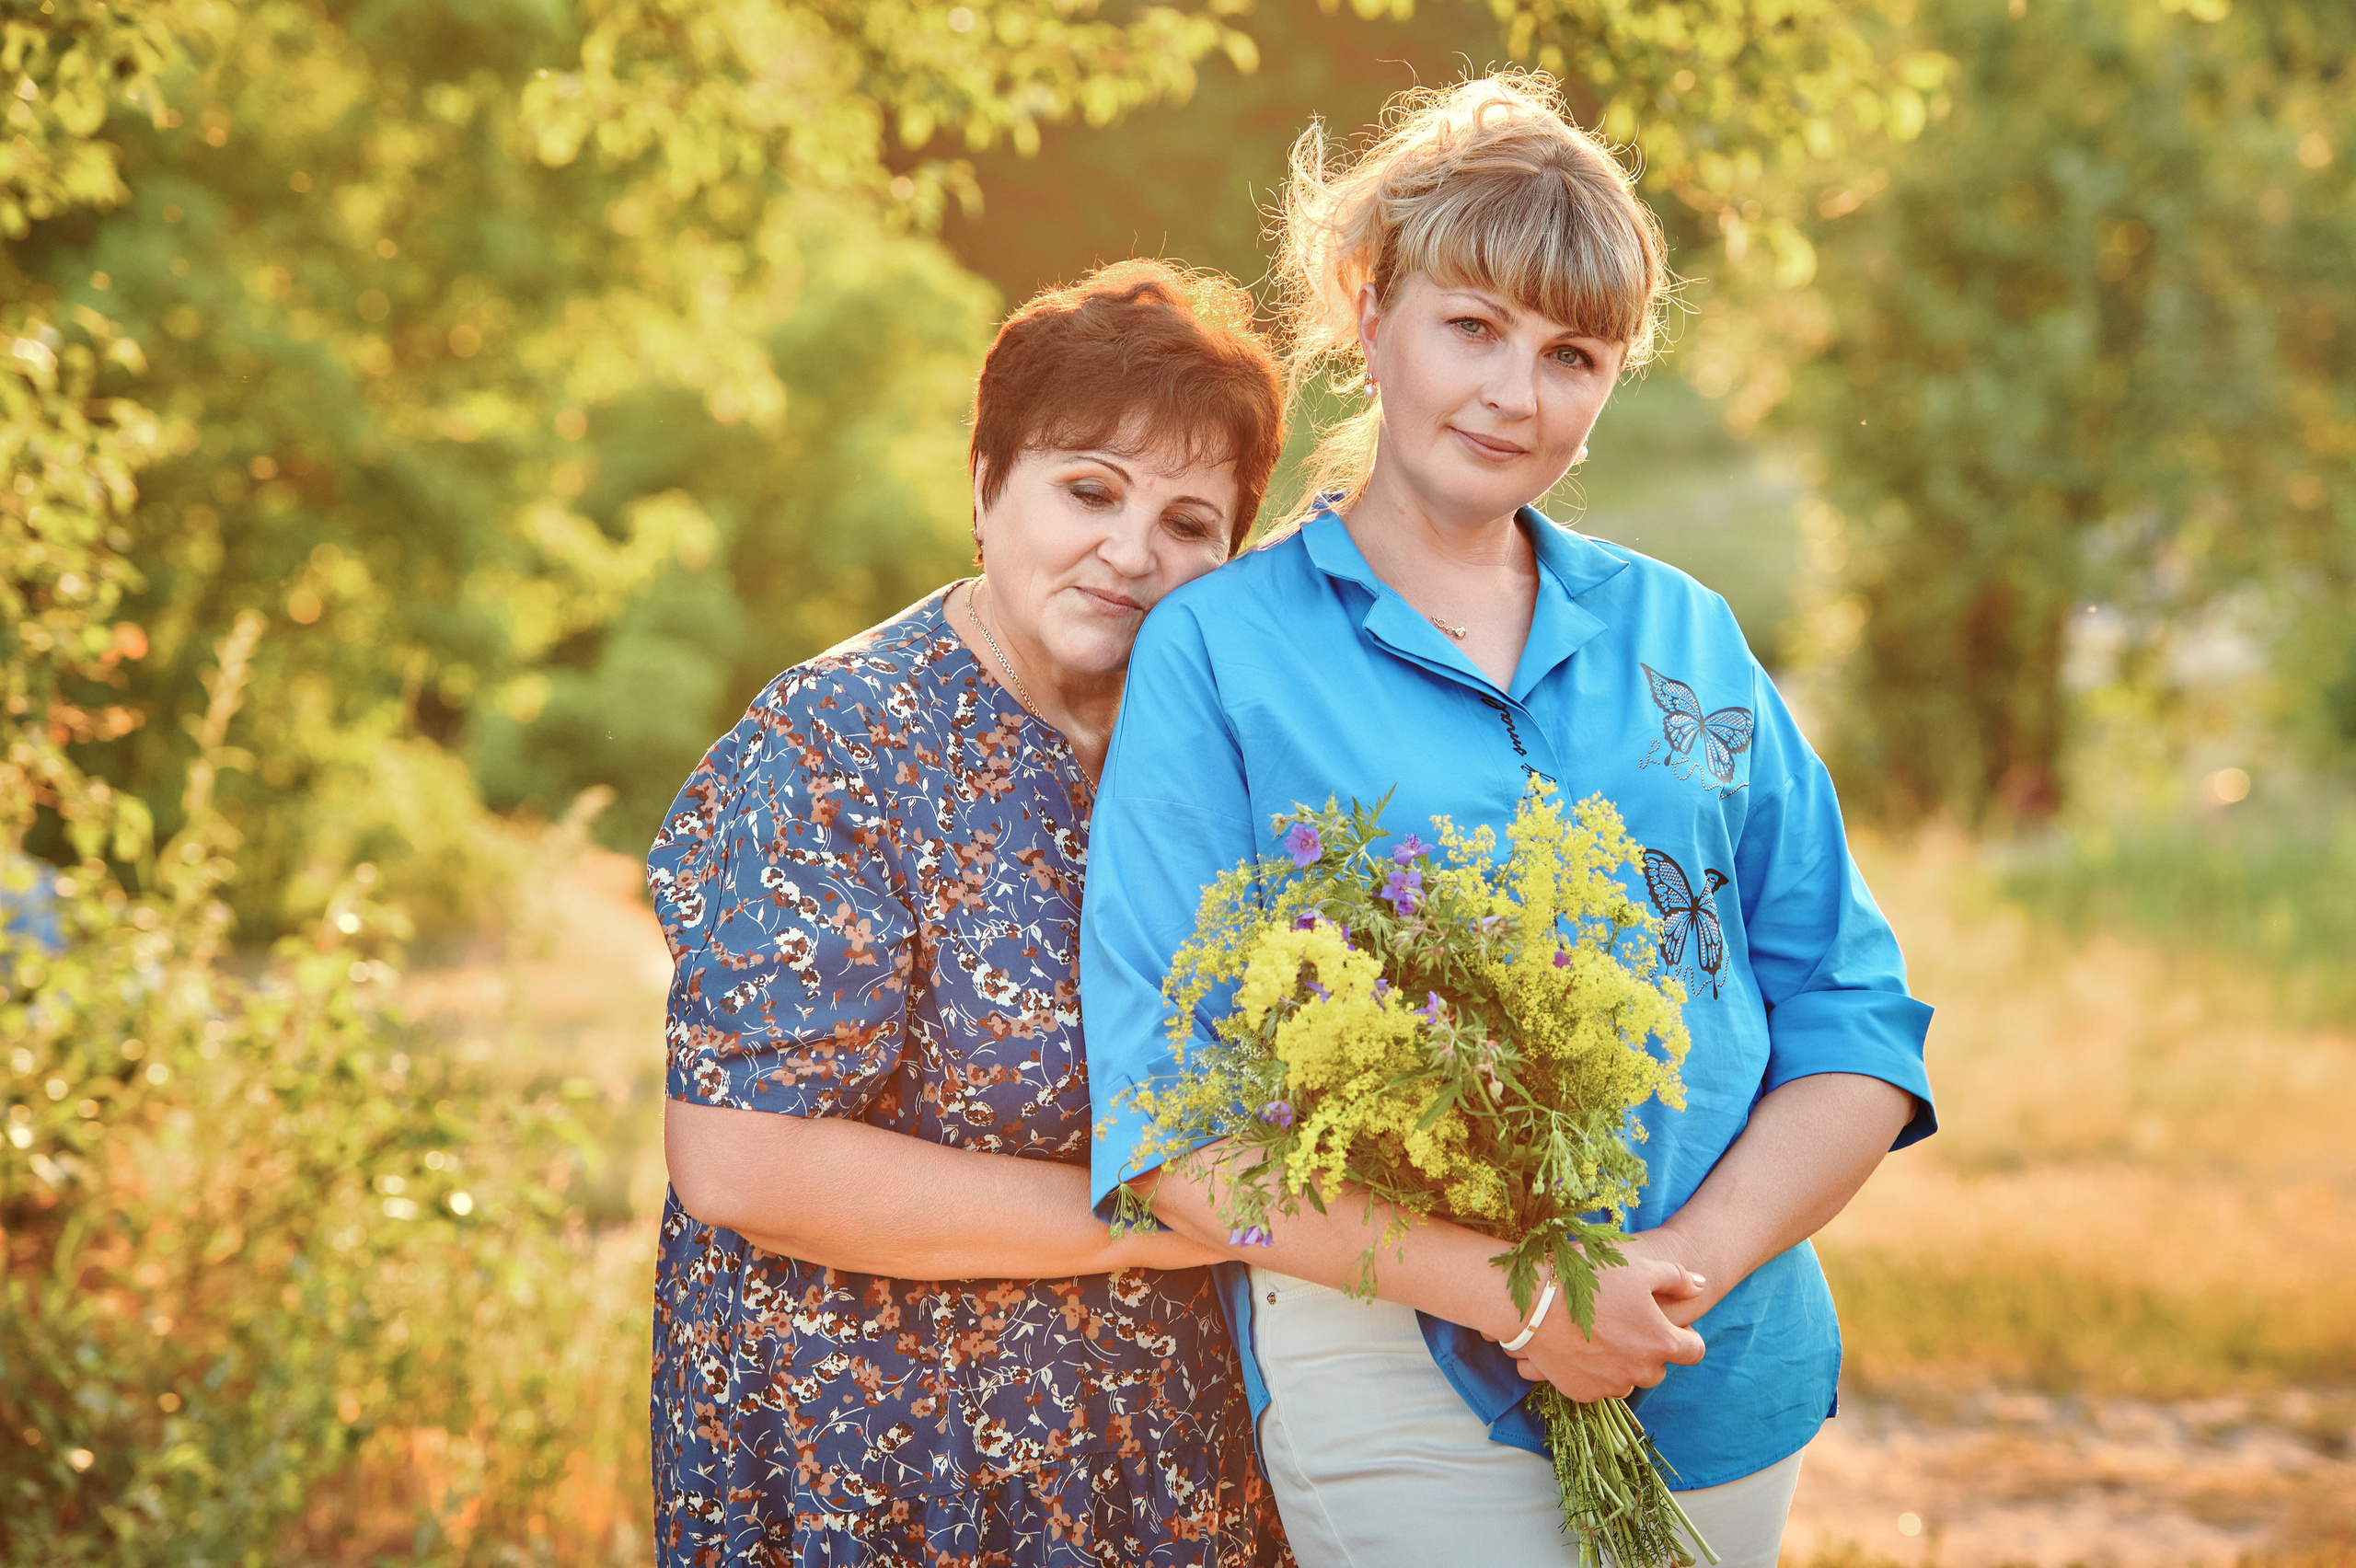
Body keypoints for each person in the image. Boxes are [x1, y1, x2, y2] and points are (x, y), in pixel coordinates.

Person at [1081, 75, 1935, 1568]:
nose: (1513, 395)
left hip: (1718, 1366)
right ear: (1368, 308)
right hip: (1397, 1377)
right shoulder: (1221, 651)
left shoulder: (1687, 632)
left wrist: (1661, 1277)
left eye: (1571, 356)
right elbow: (1171, 1120)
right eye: (1472, 328)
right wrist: (1527, 1292)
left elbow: (1852, 1013)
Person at [648, 259, 1291, 1567]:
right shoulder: (838, 742)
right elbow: (743, 1165)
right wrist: (1173, 1225)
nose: (1133, 552)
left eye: (1188, 522)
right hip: (887, 1456)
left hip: (1163, 1463)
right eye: (1090, 491)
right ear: (987, 483)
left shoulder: (1221, 757)